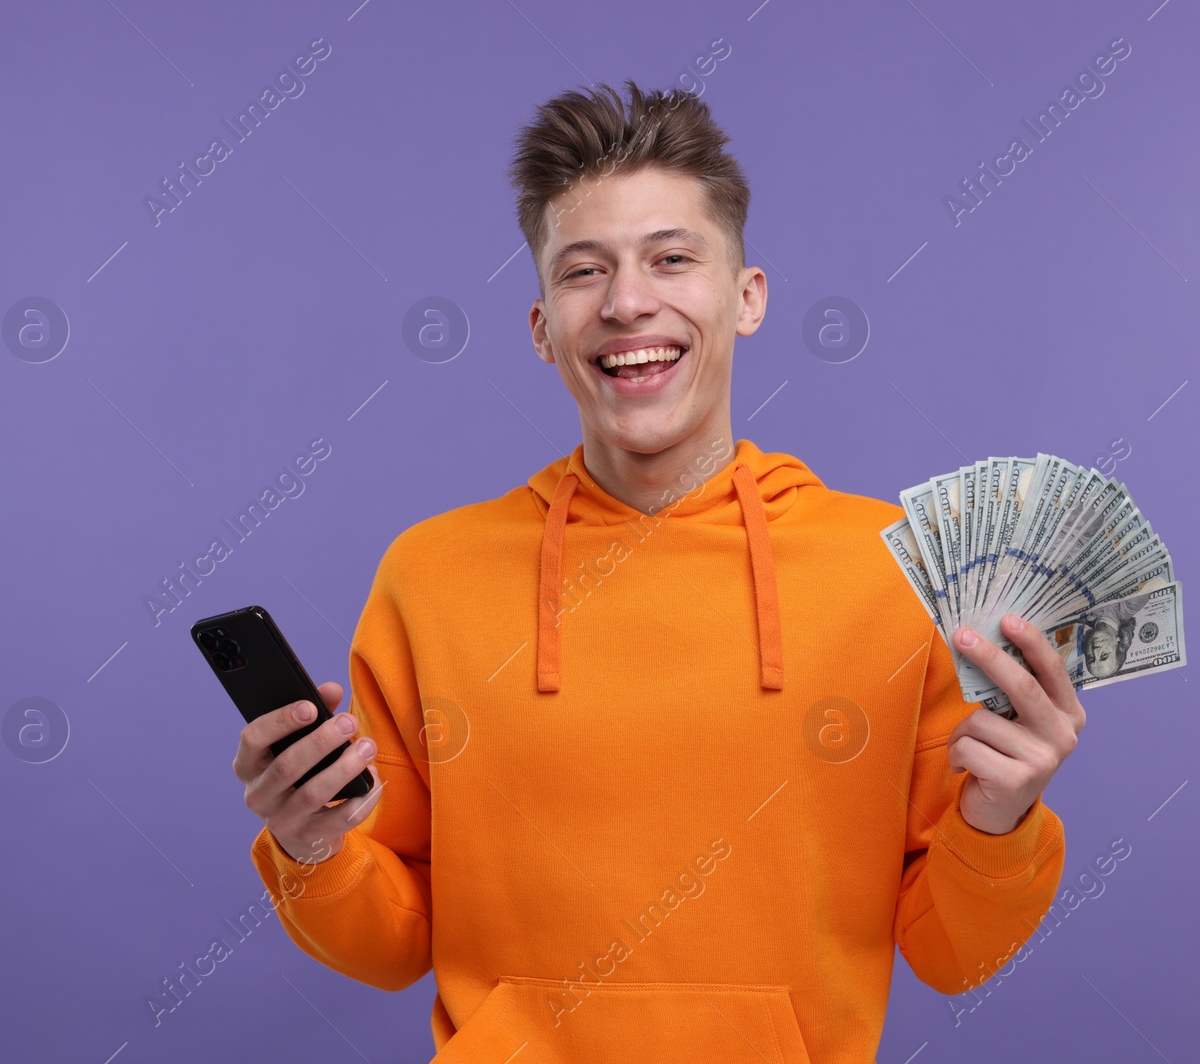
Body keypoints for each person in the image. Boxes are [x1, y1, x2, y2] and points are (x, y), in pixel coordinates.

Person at [232, 80, 1084, 1062]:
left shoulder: (899, 572)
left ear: (746, 296)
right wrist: (310, 846)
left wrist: (1001, 819)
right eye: (582, 271)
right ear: (543, 326)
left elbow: (954, 953)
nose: (627, 301)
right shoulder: (430, 574)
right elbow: (391, 942)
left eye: (671, 258)